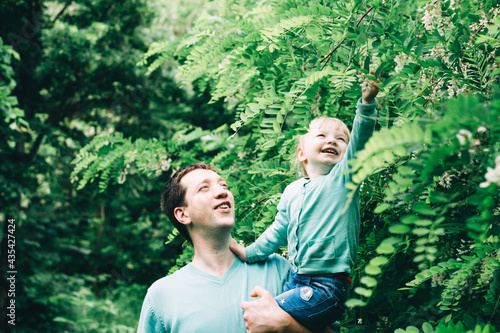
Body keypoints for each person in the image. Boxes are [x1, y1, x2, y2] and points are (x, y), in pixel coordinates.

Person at [229, 76, 381, 329]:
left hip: (327, 286)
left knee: (264, 315)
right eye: (321, 135)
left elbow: (360, 140)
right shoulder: (292, 191)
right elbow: (278, 231)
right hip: (297, 281)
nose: (331, 141)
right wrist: (249, 253)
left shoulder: (343, 180)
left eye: (340, 139)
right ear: (302, 153)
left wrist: (366, 103)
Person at [137, 162, 333, 333]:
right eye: (204, 188)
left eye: (223, 185)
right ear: (183, 215)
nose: (222, 191)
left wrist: (286, 326)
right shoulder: (161, 296)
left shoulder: (279, 269)